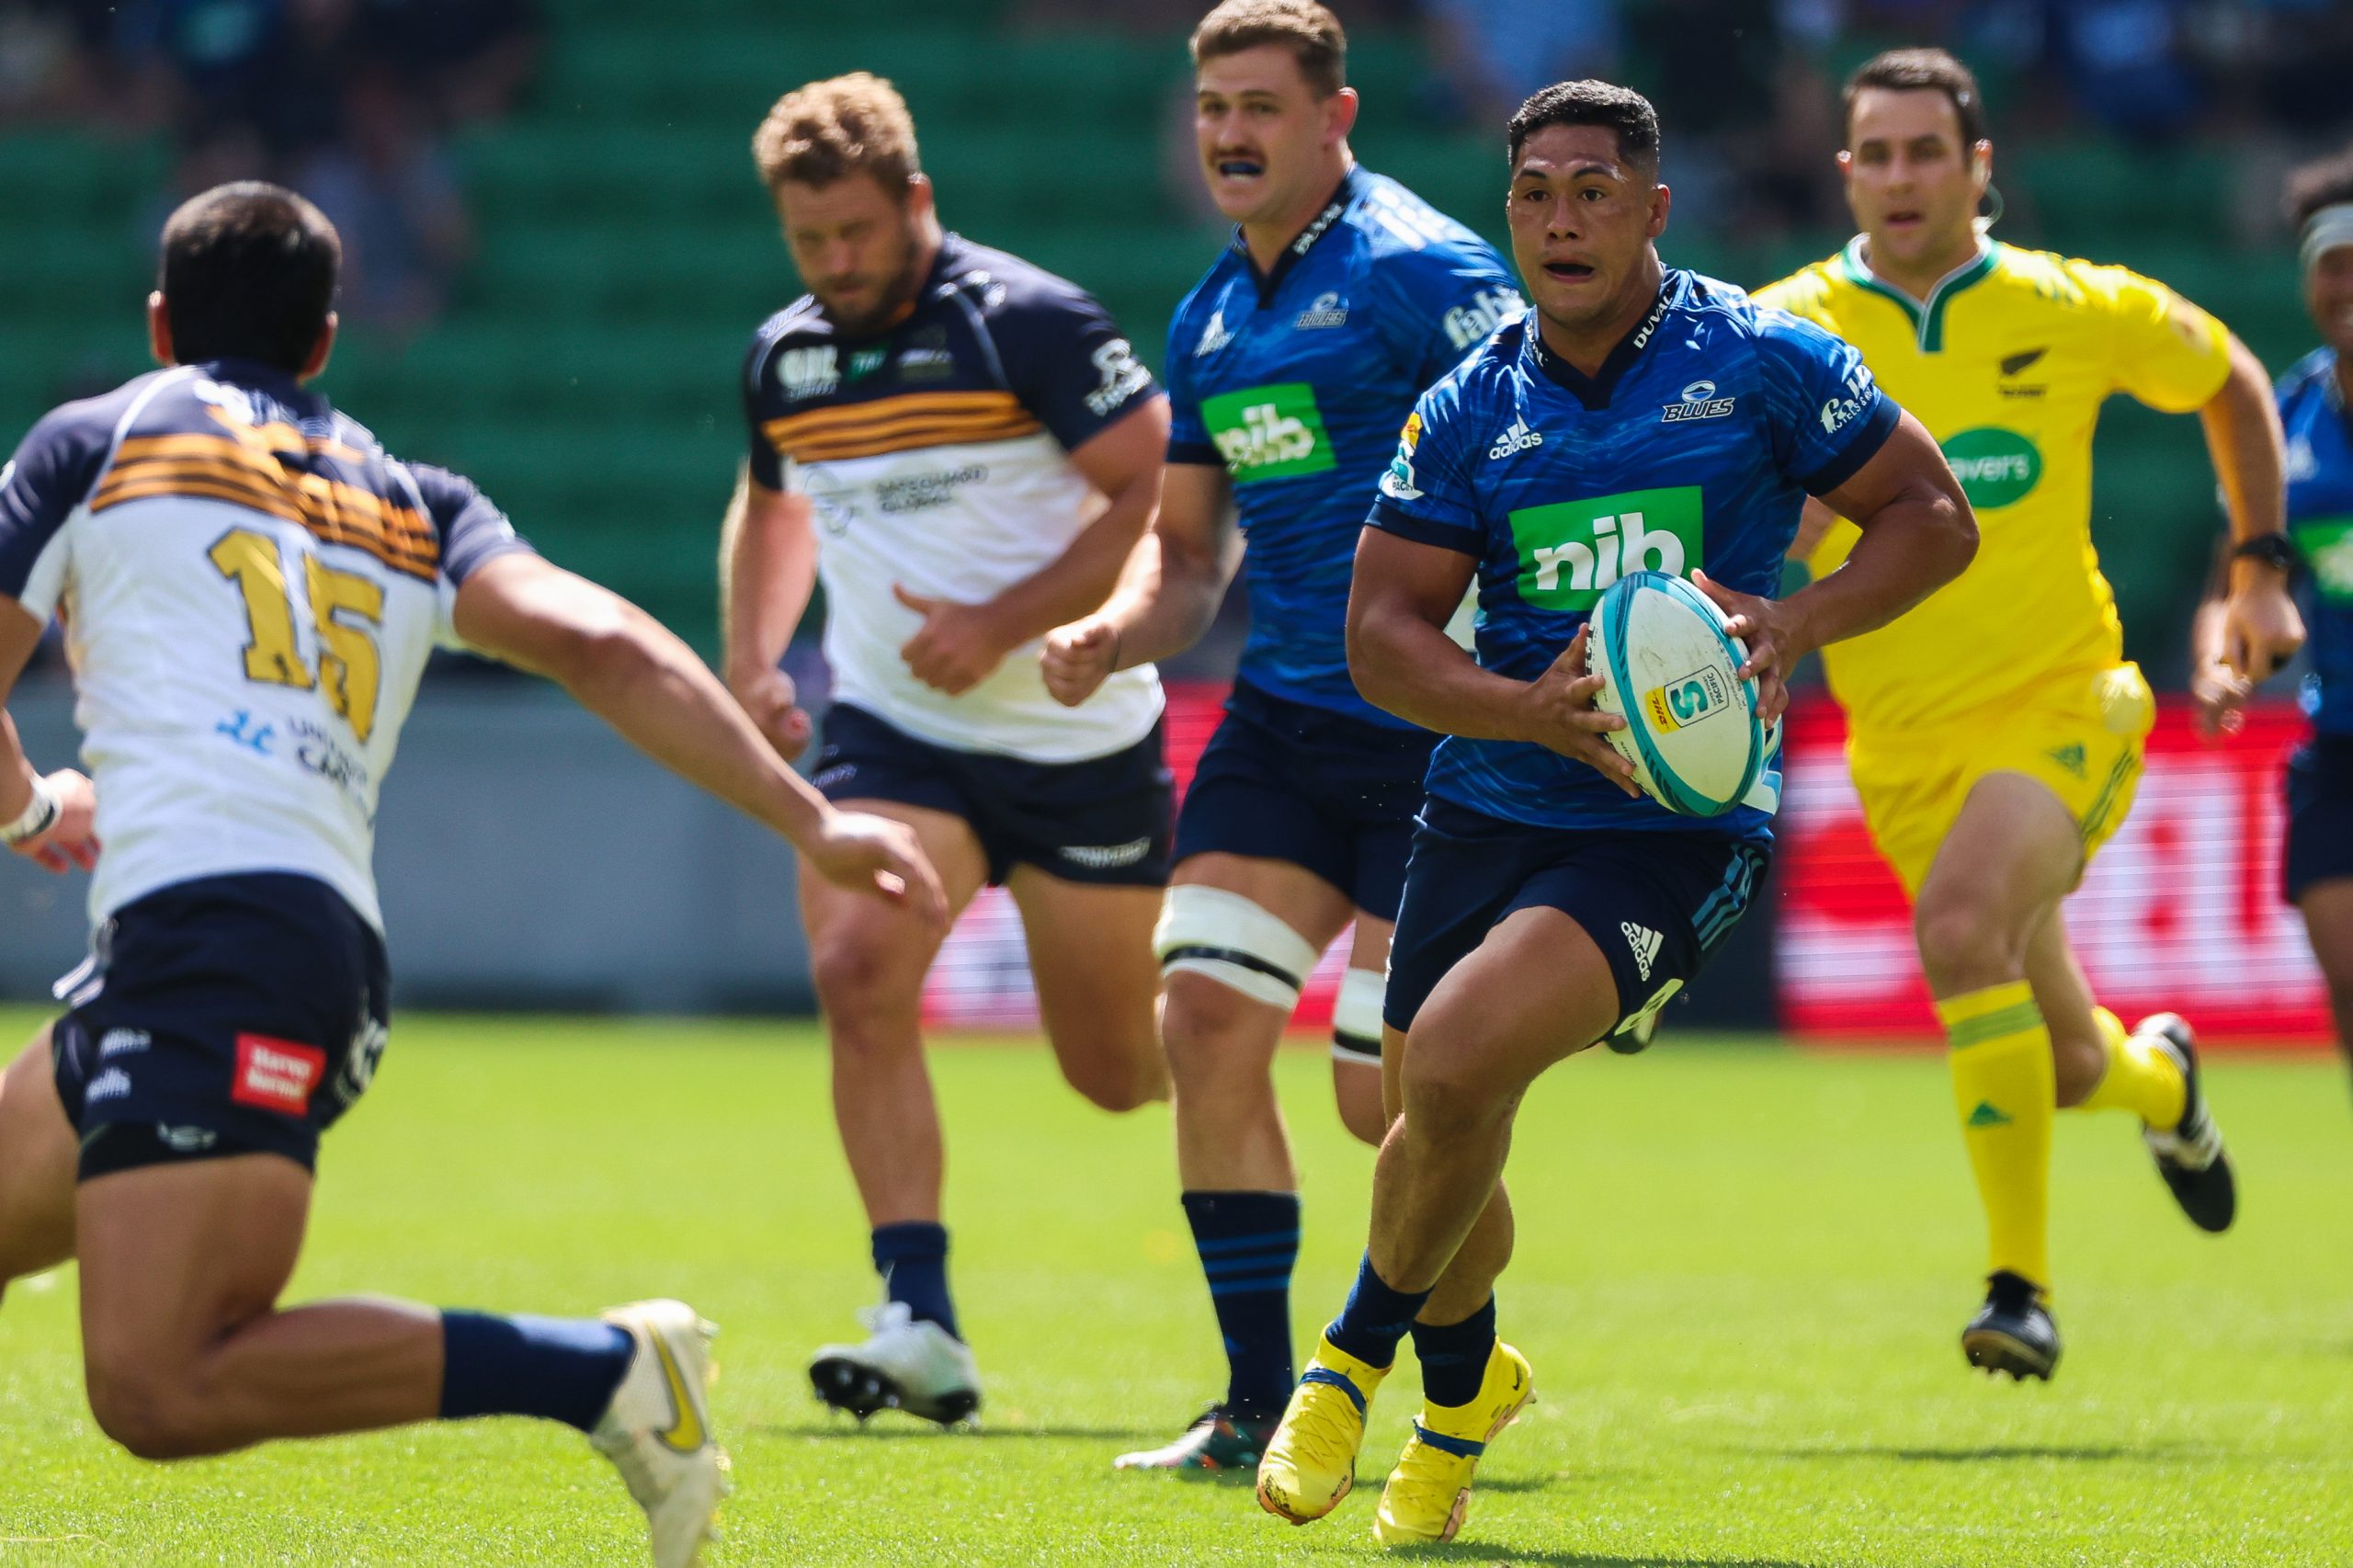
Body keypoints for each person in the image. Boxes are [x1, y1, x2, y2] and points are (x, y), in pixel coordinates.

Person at [0, 182, 945, 1568]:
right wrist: (811, 820)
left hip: (221, 952)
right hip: (257, 943)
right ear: (325, 341)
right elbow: (606, 644)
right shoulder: (413, 497)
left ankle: (606, 1371)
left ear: (160, 326)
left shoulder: (98, 439)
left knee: (158, 1385)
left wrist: (30, 809)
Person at [1254, 81, 1976, 1546]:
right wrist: (1523, 708)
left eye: (1593, 192)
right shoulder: (1470, 404)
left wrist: (1795, 620)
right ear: (1509, 214)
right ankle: (1469, 1393)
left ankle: (1344, 1364)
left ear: (1654, 209)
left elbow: (1934, 514)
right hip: (1491, 794)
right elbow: (1381, 633)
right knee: (1429, 1115)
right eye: (1534, 194)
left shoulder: (1758, 358)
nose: (1561, 221)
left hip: (1676, 823)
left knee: (1455, 1058)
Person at [1754, 48, 2302, 1381]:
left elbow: (2230, 376)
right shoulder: (1781, 327)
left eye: (1925, 152)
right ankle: (2162, 1080)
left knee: (1959, 930)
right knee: (2058, 1059)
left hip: (2062, 702)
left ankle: (2020, 1289)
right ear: (1846, 172)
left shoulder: (2067, 304)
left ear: (1978, 166)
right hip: (1898, 745)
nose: (1900, 177)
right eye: (1877, 155)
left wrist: (2256, 569)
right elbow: (1761, 523)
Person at [1040, 0, 1522, 1473]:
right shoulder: (1210, 317)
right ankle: (1255, 1400)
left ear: (1336, 117)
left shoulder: (1422, 271)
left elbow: (1548, 451)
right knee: (1201, 1019)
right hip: (1285, 718)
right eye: (1213, 108)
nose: (1231, 133)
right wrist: (1115, 627)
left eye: (1261, 106)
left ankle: (1465, 1362)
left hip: (1435, 733)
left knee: (1387, 1096)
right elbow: (1190, 554)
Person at [722, 73, 1174, 1426]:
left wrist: (1006, 621)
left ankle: (1221, 1017)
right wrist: (753, 656)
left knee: (1118, 1075)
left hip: (1077, 740)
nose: (836, 262)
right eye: (810, 240)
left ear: (916, 199)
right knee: (857, 970)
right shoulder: (787, 358)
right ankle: (918, 1316)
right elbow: (771, 506)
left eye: (857, 231)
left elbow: (1155, 490)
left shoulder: (1028, 321)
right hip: (895, 732)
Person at [2196, 147, 2353, 1077]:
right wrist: (2219, 662)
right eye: (2332, 264)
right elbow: (2233, 584)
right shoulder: (2284, 418)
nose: (2347, 286)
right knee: (2346, 973)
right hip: (2338, 742)